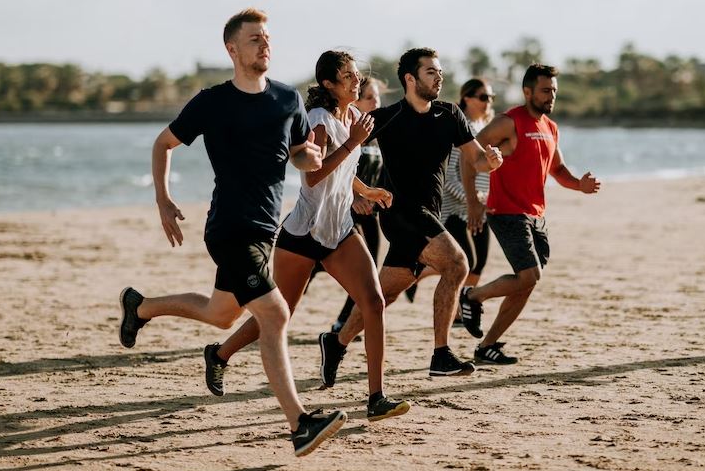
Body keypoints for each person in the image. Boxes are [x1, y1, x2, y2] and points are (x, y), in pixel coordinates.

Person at [117, 8, 346, 458]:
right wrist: (162, 199)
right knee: (275, 315)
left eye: (267, 38)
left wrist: (310, 160)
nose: (265, 45)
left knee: (221, 315)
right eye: (255, 39)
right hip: (228, 228)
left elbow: (300, 153)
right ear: (232, 49)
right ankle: (300, 423)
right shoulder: (212, 101)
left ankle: (140, 306)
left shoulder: (287, 99)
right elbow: (163, 143)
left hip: (265, 229)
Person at [204, 52, 410, 423]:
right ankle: (219, 354)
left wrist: (366, 191)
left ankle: (376, 397)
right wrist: (352, 144)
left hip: (339, 230)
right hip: (302, 233)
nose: (355, 80)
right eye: (347, 76)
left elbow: (342, 173)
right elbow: (313, 176)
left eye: (355, 74)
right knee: (280, 313)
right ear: (330, 84)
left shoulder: (353, 118)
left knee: (374, 302)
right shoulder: (318, 121)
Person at [319, 47, 503, 384]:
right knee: (457, 263)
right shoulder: (387, 117)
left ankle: (336, 341)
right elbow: (341, 155)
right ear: (410, 78)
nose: (439, 77)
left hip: (428, 213)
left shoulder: (450, 115)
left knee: (384, 295)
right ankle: (441, 354)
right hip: (400, 212)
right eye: (431, 72)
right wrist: (358, 193)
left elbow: (475, 159)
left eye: (439, 71)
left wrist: (490, 161)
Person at [458, 63, 601, 365]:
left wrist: (579, 185)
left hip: (536, 215)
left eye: (554, 91)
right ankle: (472, 296)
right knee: (529, 275)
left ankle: (487, 346)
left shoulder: (550, 127)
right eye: (545, 90)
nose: (551, 96)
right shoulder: (508, 122)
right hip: (506, 212)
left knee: (527, 282)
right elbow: (468, 156)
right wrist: (472, 202)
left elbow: (557, 170)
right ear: (527, 91)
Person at [329, 75, 386, 332]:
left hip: (369, 214)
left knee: (368, 270)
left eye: (378, 97)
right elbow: (335, 169)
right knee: (314, 268)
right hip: (345, 212)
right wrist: (355, 198)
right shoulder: (350, 133)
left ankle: (343, 320)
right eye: (369, 98)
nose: (376, 102)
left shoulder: (376, 134)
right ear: (356, 102)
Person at [440, 78, 497, 321]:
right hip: (455, 210)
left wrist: (486, 201)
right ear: (467, 98)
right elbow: (449, 177)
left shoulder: (486, 128)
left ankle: (459, 311)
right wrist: (470, 199)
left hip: (480, 207)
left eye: (491, 98)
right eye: (483, 97)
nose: (488, 102)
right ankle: (419, 275)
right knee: (466, 261)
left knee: (479, 263)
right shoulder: (459, 129)